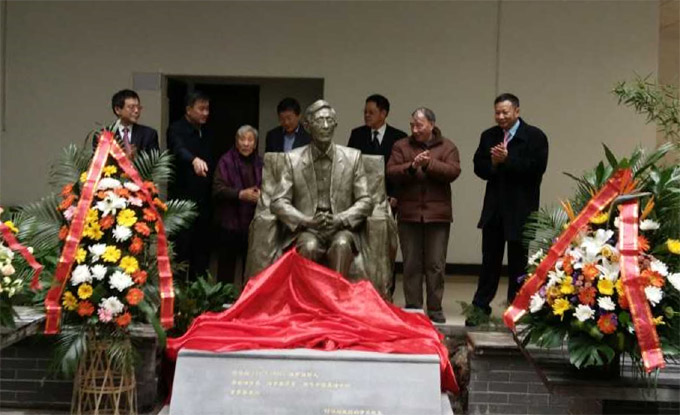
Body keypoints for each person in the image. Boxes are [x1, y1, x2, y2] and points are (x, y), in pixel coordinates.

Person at [468, 93, 549, 325]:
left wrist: (508, 160)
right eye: (497, 113)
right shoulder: (489, 136)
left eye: (505, 112)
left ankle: (516, 312)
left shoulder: (535, 136)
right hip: (494, 211)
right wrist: (493, 163)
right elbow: (479, 167)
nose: (501, 117)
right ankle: (479, 310)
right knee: (489, 264)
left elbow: (536, 169)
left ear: (517, 111)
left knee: (518, 266)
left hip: (521, 212)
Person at [271, 100, 373, 278]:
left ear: (335, 125)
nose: (325, 126)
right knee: (309, 246)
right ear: (308, 126)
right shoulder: (293, 159)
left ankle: (337, 293)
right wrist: (306, 221)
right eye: (319, 121)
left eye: (329, 121)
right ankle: (308, 294)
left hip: (341, 228)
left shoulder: (352, 157)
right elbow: (278, 202)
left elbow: (366, 201)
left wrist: (340, 219)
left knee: (341, 245)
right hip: (307, 229)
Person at [386, 107, 461, 323]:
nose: (415, 129)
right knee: (411, 264)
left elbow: (453, 171)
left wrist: (429, 164)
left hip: (437, 216)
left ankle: (435, 308)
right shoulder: (401, 145)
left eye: (419, 125)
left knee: (435, 264)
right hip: (409, 215)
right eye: (412, 125)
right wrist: (412, 166)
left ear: (431, 125)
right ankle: (413, 307)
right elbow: (391, 171)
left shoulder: (447, 146)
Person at [347, 93, 407, 298]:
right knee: (362, 243)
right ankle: (362, 288)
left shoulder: (398, 137)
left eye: (371, 112)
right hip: (362, 199)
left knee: (387, 245)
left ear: (384, 113)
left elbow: (402, 170)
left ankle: (387, 289)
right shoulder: (357, 134)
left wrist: (396, 195)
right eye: (365, 112)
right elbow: (350, 167)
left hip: (389, 200)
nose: (366, 115)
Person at [167, 91, 213, 279]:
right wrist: (193, 160)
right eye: (201, 109)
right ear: (188, 110)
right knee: (181, 251)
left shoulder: (208, 131)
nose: (205, 113)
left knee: (201, 253)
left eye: (207, 109)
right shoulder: (176, 129)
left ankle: (198, 291)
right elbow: (178, 149)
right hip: (182, 201)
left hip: (203, 202)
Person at [212, 125, 263, 288]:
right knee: (226, 269)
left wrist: (260, 194)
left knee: (251, 268)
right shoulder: (226, 161)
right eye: (242, 139)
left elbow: (270, 188)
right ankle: (222, 298)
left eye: (250, 140)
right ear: (236, 142)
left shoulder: (260, 163)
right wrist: (240, 194)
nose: (246, 143)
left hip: (253, 223)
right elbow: (217, 189)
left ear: (255, 144)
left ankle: (248, 298)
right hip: (229, 222)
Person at [95, 89, 159, 155]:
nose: (136, 111)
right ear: (117, 110)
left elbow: (155, 160)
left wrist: (136, 157)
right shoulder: (103, 135)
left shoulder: (149, 134)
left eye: (138, 107)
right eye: (132, 107)